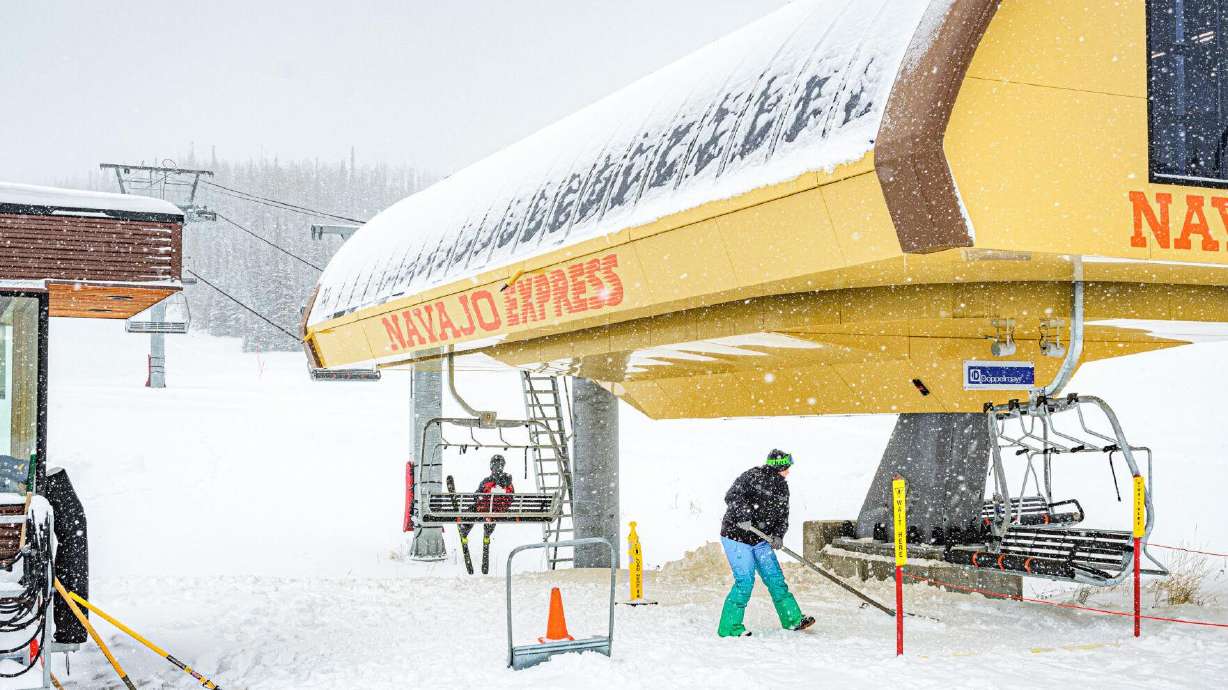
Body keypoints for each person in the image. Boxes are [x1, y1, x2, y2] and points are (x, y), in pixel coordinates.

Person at [717, 449, 815, 637]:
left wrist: (778, 535)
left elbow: (782, 515)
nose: (789, 472)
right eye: (787, 468)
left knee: (775, 579)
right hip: (736, 536)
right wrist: (743, 514)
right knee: (745, 581)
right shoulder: (752, 476)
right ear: (780, 467)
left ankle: (793, 619)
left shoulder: (782, 487)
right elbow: (732, 496)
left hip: (760, 539)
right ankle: (729, 628)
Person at [460, 454, 515, 574]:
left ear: (491, 467)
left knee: (472, 511)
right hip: (499, 513)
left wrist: (481, 499)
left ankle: (465, 530)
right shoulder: (509, 483)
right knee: (492, 514)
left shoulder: (487, 482)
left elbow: (476, 496)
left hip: (484, 510)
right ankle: (487, 534)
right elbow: (511, 499)